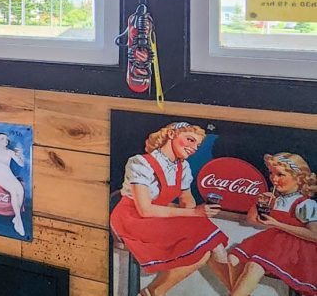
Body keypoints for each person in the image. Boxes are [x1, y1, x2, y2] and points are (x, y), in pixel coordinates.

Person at [110, 122, 231, 296]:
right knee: (205, 244)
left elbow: (186, 199)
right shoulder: (141, 162)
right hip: (132, 218)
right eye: (190, 140)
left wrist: (197, 215)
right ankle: (154, 291)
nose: (194, 148)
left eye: (197, 145)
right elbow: (145, 210)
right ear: (172, 134)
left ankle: (153, 292)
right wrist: (194, 213)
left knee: (207, 244)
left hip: (159, 216)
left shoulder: (182, 166)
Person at [228, 152, 317, 296]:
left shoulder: (305, 204)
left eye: (280, 175)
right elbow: (252, 220)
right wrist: (259, 204)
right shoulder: (275, 199)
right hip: (273, 243)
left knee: (254, 266)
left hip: (297, 250)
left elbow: (314, 235)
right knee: (233, 259)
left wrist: (278, 225)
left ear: (299, 178)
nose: (274, 179)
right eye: (271, 173)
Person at [0, 132, 27, 236]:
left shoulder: (10, 152)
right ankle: (19, 222)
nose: (5, 140)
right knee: (13, 191)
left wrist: (19, 155)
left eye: (6, 139)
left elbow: (21, 164)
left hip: (9, 175)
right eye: (2, 138)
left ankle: (16, 218)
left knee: (21, 191)